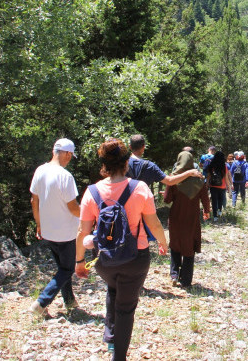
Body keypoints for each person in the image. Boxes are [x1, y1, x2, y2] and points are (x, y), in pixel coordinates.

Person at [74, 138, 168, 360]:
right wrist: (164, 243)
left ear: (105, 165)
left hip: (104, 260)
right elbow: (154, 224)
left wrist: (79, 261)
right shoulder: (140, 188)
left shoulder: (92, 192)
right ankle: (119, 355)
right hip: (135, 258)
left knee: (113, 287)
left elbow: (82, 232)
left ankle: (111, 338)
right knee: (125, 307)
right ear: (126, 163)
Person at [28, 138, 81, 317]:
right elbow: (73, 207)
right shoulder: (65, 176)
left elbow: (34, 200)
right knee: (67, 269)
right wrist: (89, 216)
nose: (70, 160)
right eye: (70, 156)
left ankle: (70, 301)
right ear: (66, 153)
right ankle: (41, 303)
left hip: (48, 231)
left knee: (62, 268)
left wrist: (39, 224)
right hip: (66, 232)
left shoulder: (40, 171)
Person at [164, 151, 211, 287]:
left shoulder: (173, 179)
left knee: (175, 243)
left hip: (176, 217)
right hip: (192, 218)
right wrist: (206, 212)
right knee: (189, 246)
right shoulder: (199, 180)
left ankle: (174, 274)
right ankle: (186, 280)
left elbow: (167, 200)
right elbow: (205, 200)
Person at [127, 134, 202, 188]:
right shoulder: (150, 166)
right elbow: (169, 181)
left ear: (130, 146)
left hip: (121, 205)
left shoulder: (120, 163)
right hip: (140, 204)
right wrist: (189, 173)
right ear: (144, 147)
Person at [206, 151, 232, 222]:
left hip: (213, 186)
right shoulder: (224, 167)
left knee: (214, 200)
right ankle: (220, 211)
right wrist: (229, 188)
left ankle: (215, 216)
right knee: (220, 199)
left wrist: (207, 185)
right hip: (222, 186)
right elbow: (226, 178)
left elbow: (208, 176)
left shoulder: (211, 166)